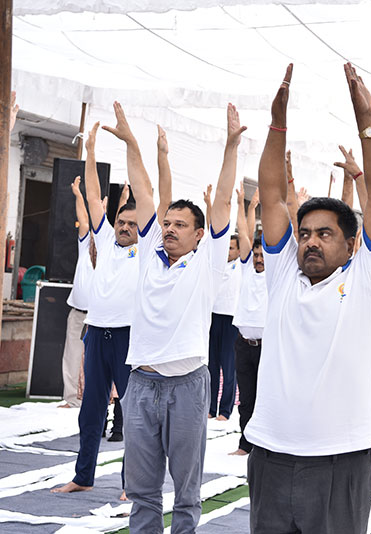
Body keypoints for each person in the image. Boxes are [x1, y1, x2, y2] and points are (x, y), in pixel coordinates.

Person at [244, 63, 371, 533]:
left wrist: (366, 122)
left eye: (325, 234)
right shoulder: (284, 274)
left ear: (350, 244)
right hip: (269, 453)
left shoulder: (368, 280)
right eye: (305, 233)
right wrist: (277, 124)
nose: (311, 241)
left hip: (338, 460)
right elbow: (270, 194)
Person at [107, 100, 242, 532]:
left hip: (187, 386)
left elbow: (222, 199)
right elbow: (143, 190)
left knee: (186, 491)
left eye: (180, 224)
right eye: (166, 223)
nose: (168, 228)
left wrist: (231, 146)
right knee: (142, 489)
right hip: (141, 384)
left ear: (199, 234)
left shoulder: (209, 262)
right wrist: (131, 142)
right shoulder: (148, 252)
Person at [52, 122, 138, 495]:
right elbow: (92, 193)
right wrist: (90, 151)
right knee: (90, 412)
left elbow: (146, 203)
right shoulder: (103, 241)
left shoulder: (148, 250)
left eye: (132, 223)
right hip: (96, 332)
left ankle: (130, 484)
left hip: (129, 337)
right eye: (120, 221)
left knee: (133, 416)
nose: (123, 226)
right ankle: (83, 477)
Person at [230, 183, 265, 456]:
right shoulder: (246, 270)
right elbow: (244, 233)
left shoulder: (274, 274)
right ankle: (245, 443)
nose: (258, 259)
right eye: (255, 254)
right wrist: (246, 206)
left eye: (263, 255)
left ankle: (265, 443)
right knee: (247, 397)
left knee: (266, 398)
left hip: (268, 346)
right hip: (243, 343)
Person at [59, 176, 93, 409]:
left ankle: (96, 397)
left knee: (95, 360)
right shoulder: (85, 244)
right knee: (71, 355)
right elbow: (84, 220)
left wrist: (122, 201)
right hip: (78, 311)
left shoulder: (113, 251)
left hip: (99, 316)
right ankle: (70, 399)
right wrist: (78, 195)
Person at [208, 230, 241, 421]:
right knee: (212, 365)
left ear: (238, 251)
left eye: (231, 248)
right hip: (213, 317)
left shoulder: (241, 266)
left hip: (231, 318)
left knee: (229, 367)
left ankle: (225, 410)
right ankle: (211, 408)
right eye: (226, 248)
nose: (228, 252)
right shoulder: (216, 265)